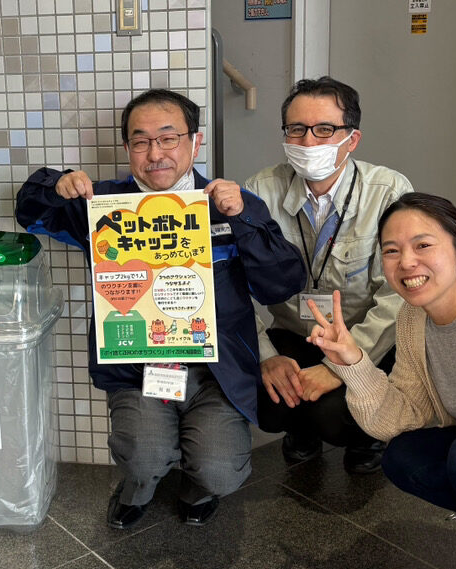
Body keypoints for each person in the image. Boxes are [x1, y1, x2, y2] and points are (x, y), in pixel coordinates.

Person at [16, 88, 306, 529]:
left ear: (195, 141)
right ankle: (138, 489)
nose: (155, 154)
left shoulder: (227, 204)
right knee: (143, 457)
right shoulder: (102, 205)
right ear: (127, 148)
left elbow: (282, 283)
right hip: (139, 369)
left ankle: (197, 488)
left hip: (217, 371)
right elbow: (30, 213)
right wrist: (56, 185)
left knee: (221, 471)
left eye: (169, 138)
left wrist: (243, 218)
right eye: (141, 141)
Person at [308, 192, 456, 511]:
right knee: (404, 457)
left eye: (423, 245)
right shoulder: (412, 318)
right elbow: (405, 415)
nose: (406, 262)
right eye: (391, 250)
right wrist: (354, 364)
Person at [244, 77, 412, 474]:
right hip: (295, 333)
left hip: (362, 338)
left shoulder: (388, 191)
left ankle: (368, 434)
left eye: (324, 129)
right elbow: (231, 288)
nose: (308, 141)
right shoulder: (258, 192)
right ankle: (299, 428)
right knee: (266, 399)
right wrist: (267, 357)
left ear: (352, 139)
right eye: (296, 129)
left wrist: (342, 366)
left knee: (335, 415)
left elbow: (398, 294)